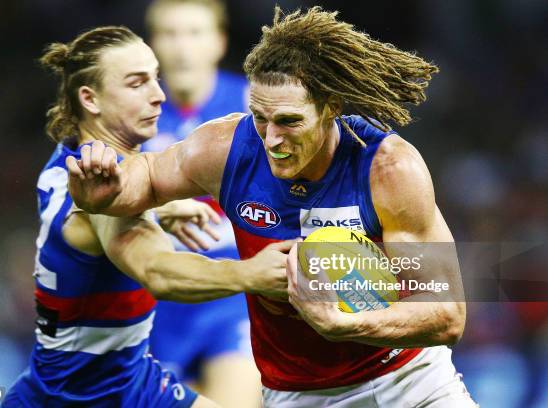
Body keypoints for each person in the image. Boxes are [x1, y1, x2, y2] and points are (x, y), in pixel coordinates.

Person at [67, 7, 477, 407]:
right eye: (260, 118)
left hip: (411, 384)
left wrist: (345, 324)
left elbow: (446, 314)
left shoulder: (388, 169)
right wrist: (102, 190)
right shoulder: (225, 150)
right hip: (298, 395)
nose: (272, 139)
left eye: (289, 121)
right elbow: (146, 178)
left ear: (330, 108)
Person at [3, 26, 294, 407]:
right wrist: (252, 273)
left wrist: (162, 207)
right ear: (90, 99)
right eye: (137, 83)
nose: (159, 96)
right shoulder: (103, 193)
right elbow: (157, 271)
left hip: (126, 378)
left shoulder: (70, 159)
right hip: (85, 396)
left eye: (156, 78)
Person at [142, 0, 259, 405]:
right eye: (169, 34)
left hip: (232, 301)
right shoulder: (132, 118)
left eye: (194, 33)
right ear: (152, 45)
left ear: (219, 41)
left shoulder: (255, 111)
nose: (182, 48)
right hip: (151, 302)